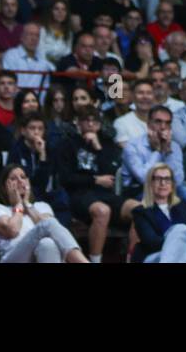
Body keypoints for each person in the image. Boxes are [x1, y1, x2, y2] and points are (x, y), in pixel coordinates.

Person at [56, 107, 138, 263]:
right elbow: (66, 178)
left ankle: (131, 258)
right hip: (79, 195)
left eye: (94, 120)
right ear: (78, 123)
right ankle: (95, 260)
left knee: (139, 209)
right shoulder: (68, 144)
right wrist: (94, 180)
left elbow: (113, 171)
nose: (90, 124)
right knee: (102, 211)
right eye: (86, 120)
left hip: (105, 194)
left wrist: (98, 147)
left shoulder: (106, 144)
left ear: (100, 124)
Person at [0, 163, 88, 263]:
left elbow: (49, 227)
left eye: (23, 177)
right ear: (4, 187)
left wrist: (27, 205)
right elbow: (12, 230)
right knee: (48, 224)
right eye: (13, 179)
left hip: (40, 255)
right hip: (12, 258)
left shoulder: (42, 206)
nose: (20, 181)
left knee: (47, 243)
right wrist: (18, 205)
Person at [131, 163, 186, 263]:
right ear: (150, 183)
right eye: (158, 179)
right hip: (156, 256)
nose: (163, 183)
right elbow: (151, 243)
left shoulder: (184, 206)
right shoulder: (141, 211)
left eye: (167, 179)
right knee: (180, 230)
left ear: (172, 184)